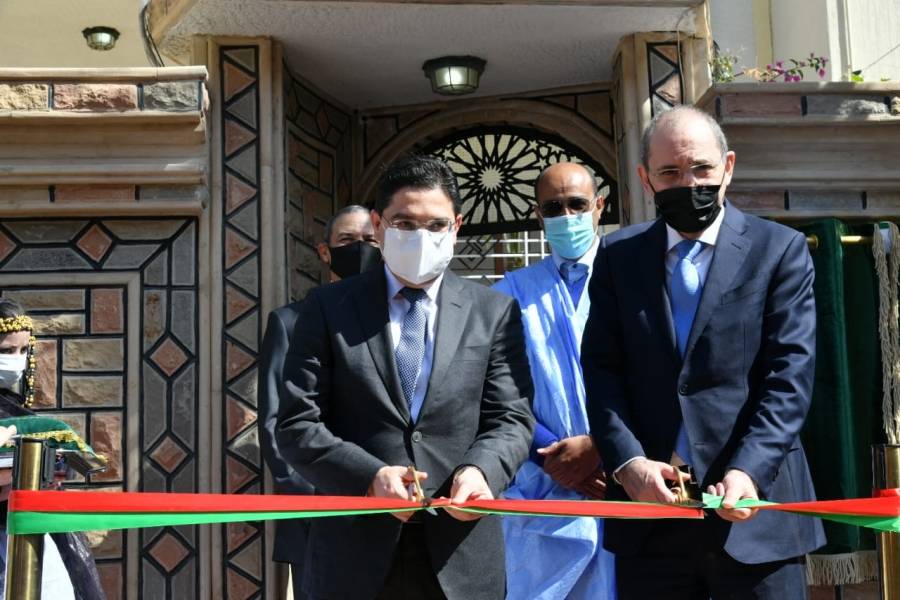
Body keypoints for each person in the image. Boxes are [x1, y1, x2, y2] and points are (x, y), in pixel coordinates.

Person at [581, 106, 825, 599]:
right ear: (646, 179)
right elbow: (602, 372)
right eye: (670, 172)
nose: (688, 183)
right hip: (651, 516)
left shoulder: (779, 250)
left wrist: (749, 469)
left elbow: (788, 376)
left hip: (753, 513)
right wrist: (628, 464)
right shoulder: (617, 257)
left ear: (728, 168)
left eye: (701, 169)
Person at [276, 154, 535, 600]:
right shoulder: (327, 308)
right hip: (353, 557)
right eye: (405, 224)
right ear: (378, 225)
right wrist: (368, 477)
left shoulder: (493, 312)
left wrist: (482, 470)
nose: (421, 237)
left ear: (456, 226)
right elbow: (297, 423)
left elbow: (511, 418)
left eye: (436, 225)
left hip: (461, 557)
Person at [493, 162, 615, 600]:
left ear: (599, 206)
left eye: (577, 204)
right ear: (538, 215)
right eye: (553, 207)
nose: (567, 216)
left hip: (622, 478)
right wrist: (552, 458)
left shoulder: (632, 279)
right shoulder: (510, 293)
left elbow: (657, 378)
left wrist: (603, 447)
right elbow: (495, 390)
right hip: (542, 488)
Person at [258, 204, 381, 597]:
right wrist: (313, 498)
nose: (359, 248)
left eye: (369, 240)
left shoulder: (398, 319)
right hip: (317, 514)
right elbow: (275, 421)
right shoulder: (289, 322)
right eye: (347, 240)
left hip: (387, 510)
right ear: (325, 251)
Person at [0, 298, 106, 600]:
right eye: (6, 351)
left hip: (37, 534)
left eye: (23, 350)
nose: (17, 360)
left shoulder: (17, 409)